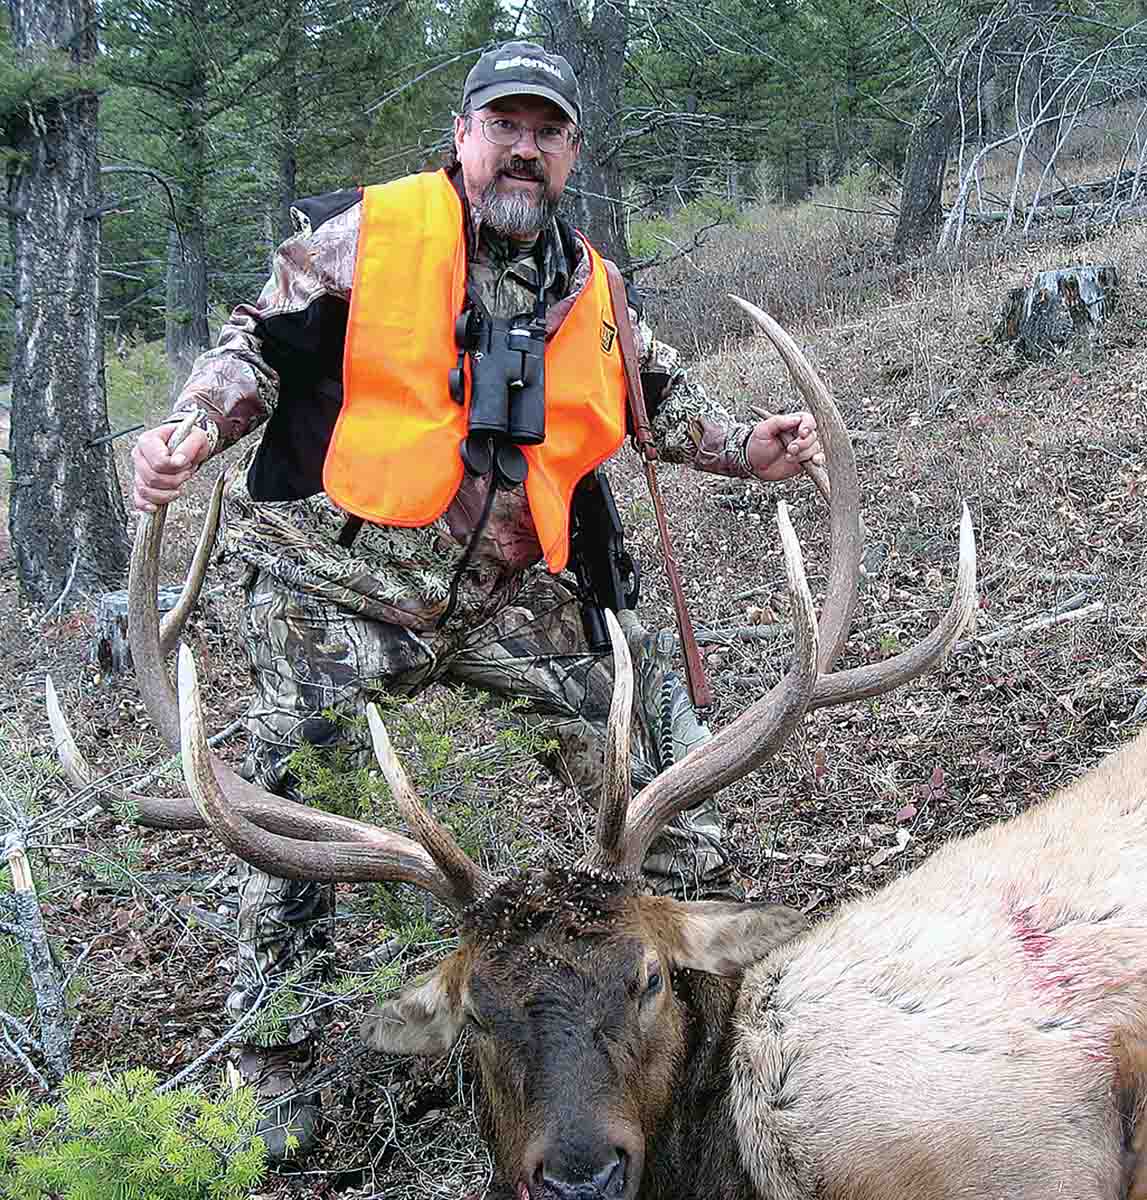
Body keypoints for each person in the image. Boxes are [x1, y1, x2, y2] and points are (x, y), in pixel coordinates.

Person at [131, 41, 823, 1160]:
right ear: (462, 138)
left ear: (569, 153)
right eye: (504, 126)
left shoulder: (591, 285)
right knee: (291, 818)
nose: (524, 148)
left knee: (649, 785)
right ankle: (276, 1069)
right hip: (337, 582)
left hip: (503, 597)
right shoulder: (371, 236)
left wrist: (751, 448)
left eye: (546, 132)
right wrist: (191, 432)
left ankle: (696, 1023)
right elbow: (254, 347)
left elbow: (661, 399)